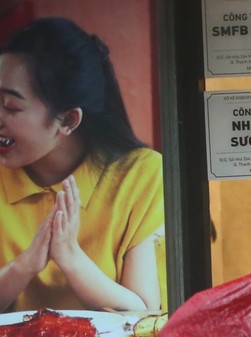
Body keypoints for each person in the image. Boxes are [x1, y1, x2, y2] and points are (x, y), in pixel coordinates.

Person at [0, 17, 164, 313]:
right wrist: (24, 266)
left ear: (68, 120)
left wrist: (70, 257)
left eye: (11, 107)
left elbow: (143, 309)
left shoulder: (141, 174)